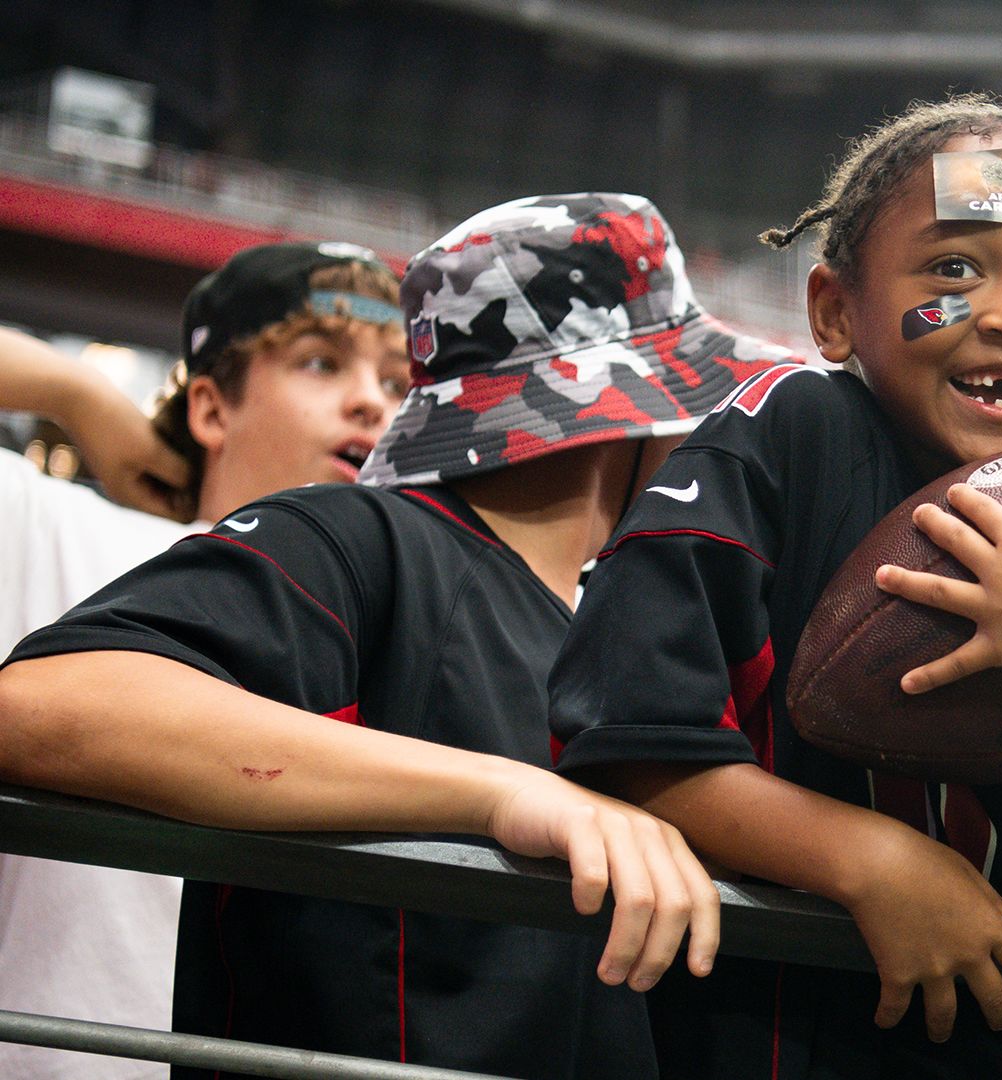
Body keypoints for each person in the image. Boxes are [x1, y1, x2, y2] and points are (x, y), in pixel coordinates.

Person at [544, 94, 1002, 1080]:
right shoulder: (786, 442)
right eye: (955, 268)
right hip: (758, 1038)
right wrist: (874, 864)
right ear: (831, 311)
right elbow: (632, 746)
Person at [0, 193, 795, 1077]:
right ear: (631, 408)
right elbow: (46, 707)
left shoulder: (607, 625)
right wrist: (504, 794)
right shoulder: (362, 537)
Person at [0, 240, 411, 1079]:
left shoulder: (421, 621)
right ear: (213, 410)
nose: (374, 403)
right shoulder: (64, 535)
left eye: (401, 382)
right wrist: (80, 397)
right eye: (322, 362)